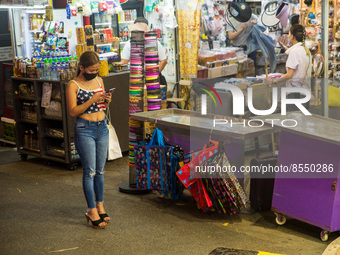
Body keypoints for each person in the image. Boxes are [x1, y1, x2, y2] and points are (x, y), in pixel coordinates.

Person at [66, 51, 112, 229]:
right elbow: (73, 111)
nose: (94, 72)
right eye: (91, 69)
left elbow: (103, 105)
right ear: (82, 68)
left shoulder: (99, 80)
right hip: (85, 129)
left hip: (102, 126)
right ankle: (91, 209)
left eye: (96, 69)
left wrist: (106, 101)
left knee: (100, 170)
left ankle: (100, 205)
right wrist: (92, 99)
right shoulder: (73, 85)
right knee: (90, 171)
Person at [264, 24, 312, 110]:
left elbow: (289, 75)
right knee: (302, 120)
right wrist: (285, 47)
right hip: (304, 92)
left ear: (293, 36)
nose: (288, 36)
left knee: (293, 120)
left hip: (295, 94)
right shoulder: (305, 50)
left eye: (289, 34)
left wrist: (273, 81)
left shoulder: (294, 52)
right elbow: (296, 56)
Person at [121, 16, 168, 85]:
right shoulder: (129, 44)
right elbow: (124, 62)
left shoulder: (154, 42)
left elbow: (163, 60)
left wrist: (154, 74)